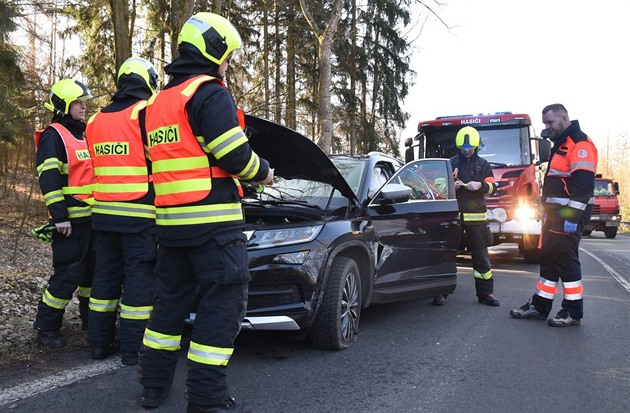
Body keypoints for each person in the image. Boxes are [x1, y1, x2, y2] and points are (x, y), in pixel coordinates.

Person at [138, 12, 273, 413]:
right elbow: (234, 155)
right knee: (223, 303)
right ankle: (206, 397)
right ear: (213, 49)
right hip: (214, 225)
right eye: (228, 55)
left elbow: (159, 162)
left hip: (171, 226)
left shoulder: (155, 104)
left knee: (168, 307)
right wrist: (263, 172)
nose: (228, 64)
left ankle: (153, 388)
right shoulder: (209, 92)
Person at [85, 57, 160, 365]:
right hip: (139, 214)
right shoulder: (144, 113)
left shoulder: (94, 121)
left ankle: (98, 345)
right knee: (138, 283)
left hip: (102, 215)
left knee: (103, 280)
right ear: (147, 82)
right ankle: (132, 351)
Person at [510, 104, 597, 327]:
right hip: (555, 215)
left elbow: (582, 190)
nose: (547, 128)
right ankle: (540, 306)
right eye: (545, 123)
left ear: (564, 119)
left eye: (550, 123)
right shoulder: (562, 145)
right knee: (548, 257)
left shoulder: (580, 145)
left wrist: (570, 219)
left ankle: (572, 312)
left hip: (568, 215)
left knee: (566, 259)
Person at [33, 78, 95, 348]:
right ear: (64, 106)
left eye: (83, 102)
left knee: (90, 276)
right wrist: (59, 217)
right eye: (78, 103)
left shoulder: (83, 133)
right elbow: (49, 180)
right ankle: (46, 328)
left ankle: (91, 321)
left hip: (91, 217)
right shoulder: (53, 135)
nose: (83, 107)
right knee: (67, 275)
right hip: (69, 222)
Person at [434, 126, 500, 307]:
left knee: (481, 257)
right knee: (447, 255)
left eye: (470, 148)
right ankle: (441, 291)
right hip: (454, 217)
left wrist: (480, 186)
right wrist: (450, 186)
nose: (467, 151)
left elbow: (493, 188)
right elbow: (439, 187)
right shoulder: (450, 163)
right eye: (464, 149)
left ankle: (486, 294)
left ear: (476, 146)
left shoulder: (484, 165)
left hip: (477, 220)